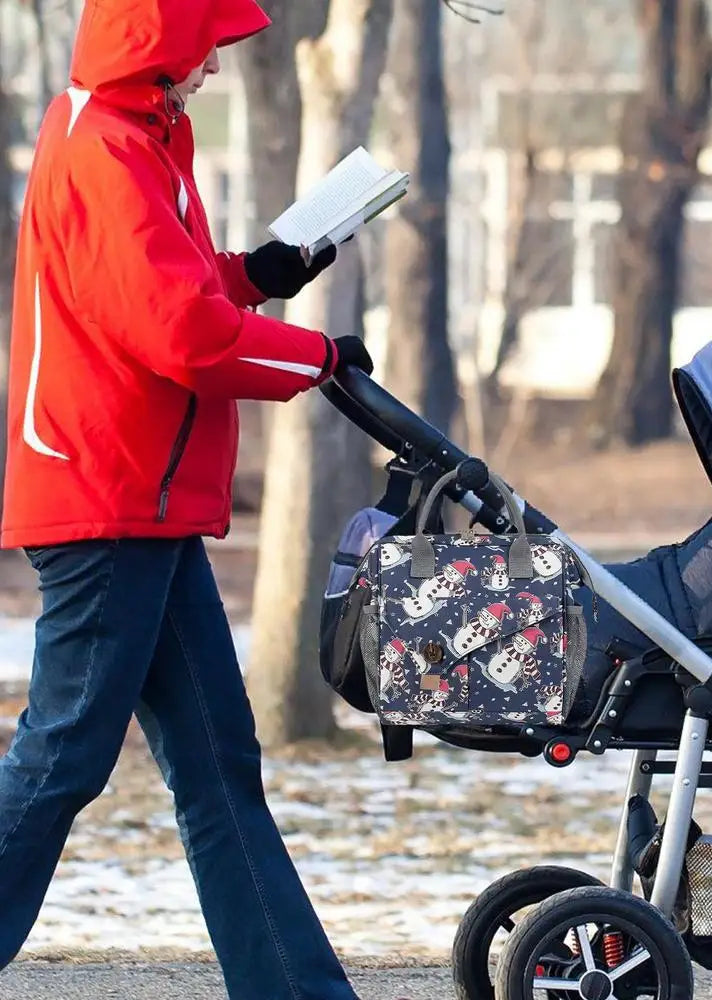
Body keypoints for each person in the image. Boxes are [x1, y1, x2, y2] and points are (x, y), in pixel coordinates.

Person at [0, 2, 375, 998]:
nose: (213, 64)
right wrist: (318, 356)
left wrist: (257, 275)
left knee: (217, 763)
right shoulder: (105, 151)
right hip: (105, 497)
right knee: (63, 756)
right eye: (205, 44)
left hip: (143, 504)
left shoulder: (128, 135)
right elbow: (182, 337)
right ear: (158, 41)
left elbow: (166, 290)